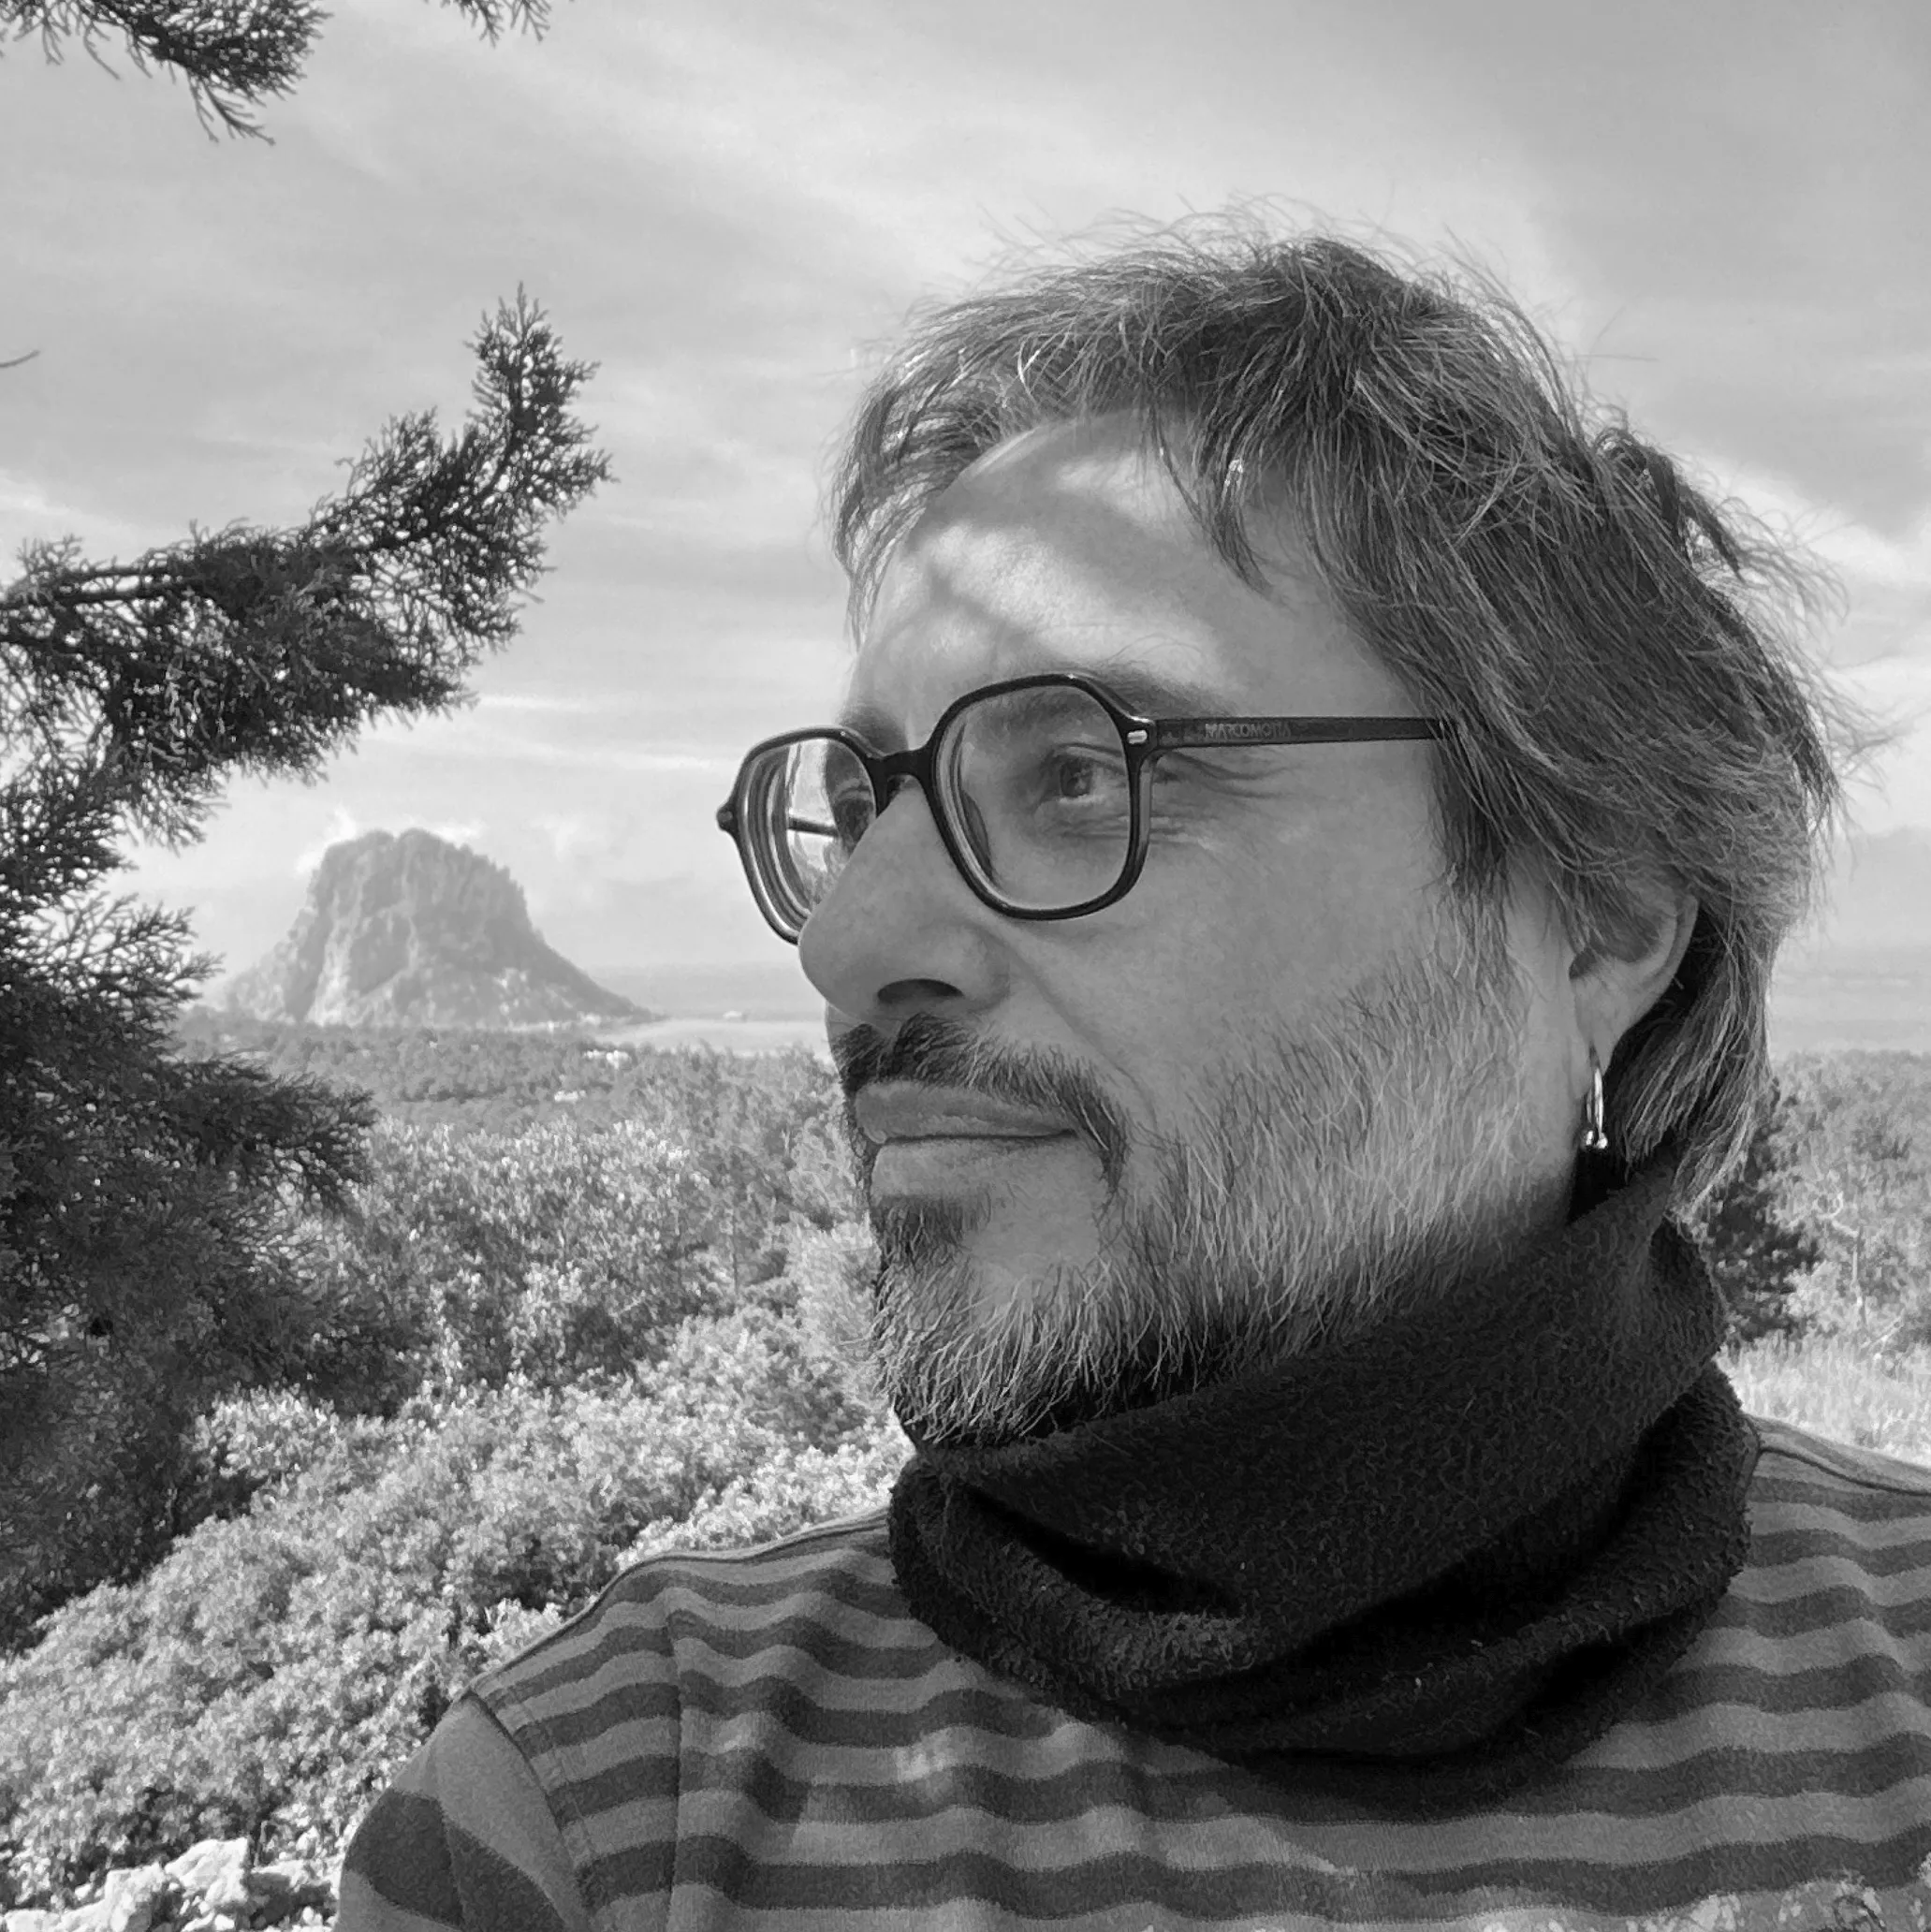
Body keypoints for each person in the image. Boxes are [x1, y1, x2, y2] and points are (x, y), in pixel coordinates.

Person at [337, 224, 1927, 1932]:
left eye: (1082, 777)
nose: (847, 943)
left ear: (1600, 919)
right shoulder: (601, 1811)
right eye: (862, 808)